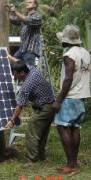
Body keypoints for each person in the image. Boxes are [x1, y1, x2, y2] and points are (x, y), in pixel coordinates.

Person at [52, 24, 90, 174]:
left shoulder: (69, 55)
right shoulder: (86, 54)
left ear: (67, 41)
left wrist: (58, 100)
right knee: (75, 127)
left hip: (69, 97)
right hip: (81, 97)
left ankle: (70, 164)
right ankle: (74, 162)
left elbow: (68, 79)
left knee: (62, 127)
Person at [5, 60, 55, 164]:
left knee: (31, 133)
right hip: (52, 106)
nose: (13, 75)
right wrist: (10, 58)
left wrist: (12, 120)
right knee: (42, 133)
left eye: (15, 73)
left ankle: (32, 160)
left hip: (43, 109)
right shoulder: (32, 69)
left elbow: (20, 105)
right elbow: (22, 63)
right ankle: (41, 156)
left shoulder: (26, 85)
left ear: (22, 73)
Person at [9, 0, 42, 66]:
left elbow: (27, 20)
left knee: (28, 70)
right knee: (12, 65)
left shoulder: (37, 17)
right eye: (27, 2)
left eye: (30, 2)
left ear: (35, 5)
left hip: (30, 50)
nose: (27, 3)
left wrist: (15, 11)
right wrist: (6, 10)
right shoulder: (23, 16)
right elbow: (12, 19)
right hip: (21, 49)